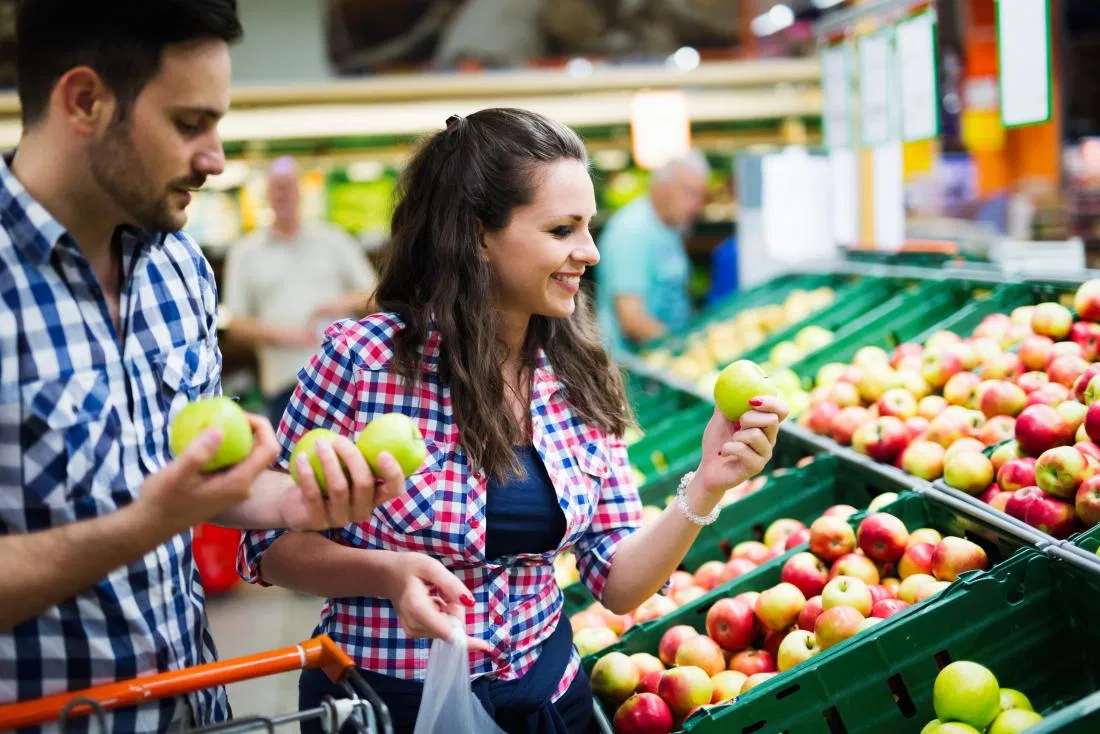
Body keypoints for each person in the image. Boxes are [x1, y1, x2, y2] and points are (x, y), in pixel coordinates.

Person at [237, 109, 787, 734]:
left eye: (588, 226)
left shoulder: (577, 370)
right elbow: (268, 547)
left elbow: (617, 581)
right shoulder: (362, 362)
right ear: (477, 236)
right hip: (389, 699)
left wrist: (709, 483)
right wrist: (386, 575)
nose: (590, 250)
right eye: (562, 229)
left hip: (547, 700)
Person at [0, 2, 406, 732]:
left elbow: (192, 483)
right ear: (84, 101)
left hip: (199, 709)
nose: (217, 158)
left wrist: (288, 504)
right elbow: (156, 512)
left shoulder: (180, 270)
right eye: (190, 125)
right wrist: (148, 524)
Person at [222, 156, 380, 429]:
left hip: (344, 383)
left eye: (288, 187)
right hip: (283, 388)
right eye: (276, 188)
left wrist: (335, 303)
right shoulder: (245, 252)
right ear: (266, 195)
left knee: (352, 468)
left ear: (301, 192)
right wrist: (282, 334)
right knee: (288, 470)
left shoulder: (335, 240)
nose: (282, 195)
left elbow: (378, 295)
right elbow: (234, 325)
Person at [594, 150, 709, 358]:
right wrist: (685, 350)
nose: (698, 205)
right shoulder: (632, 231)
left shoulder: (669, 227)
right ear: (662, 189)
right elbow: (631, 319)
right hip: (633, 369)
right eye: (690, 193)